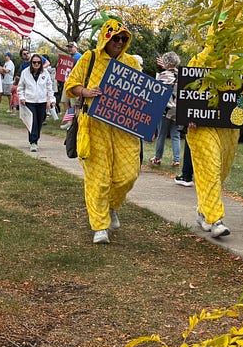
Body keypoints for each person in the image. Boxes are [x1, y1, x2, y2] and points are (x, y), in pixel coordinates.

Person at [65, 16, 141, 244]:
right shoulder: (89, 58)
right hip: (94, 125)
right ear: (105, 37)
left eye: (122, 38)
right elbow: (70, 86)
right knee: (98, 179)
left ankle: (111, 206)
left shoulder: (131, 63)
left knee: (128, 175)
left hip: (123, 127)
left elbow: (142, 96)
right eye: (114, 37)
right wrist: (86, 92)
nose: (118, 42)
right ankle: (99, 226)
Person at [186, 18, 238, 238]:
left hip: (228, 128)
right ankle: (216, 219)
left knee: (219, 171)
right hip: (201, 127)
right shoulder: (198, 60)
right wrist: (188, 114)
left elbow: (242, 99)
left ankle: (203, 211)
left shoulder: (236, 63)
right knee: (210, 166)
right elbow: (186, 91)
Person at [17, 53, 55, 151]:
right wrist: (22, 97)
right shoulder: (25, 72)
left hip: (42, 101)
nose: (36, 64)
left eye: (38, 62)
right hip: (30, 101)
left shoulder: (45, 73)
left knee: (40, 121)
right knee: (32, 121)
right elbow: (20, 87)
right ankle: (33, 142)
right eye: (34, 62)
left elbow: (49, 88)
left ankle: (36, 138)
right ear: (31, 63)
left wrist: (52, 100)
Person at [150, 51, 181, 167]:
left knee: (161, 134)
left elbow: (157, 92)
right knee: (176, 135)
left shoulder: (163, 75)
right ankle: (176, 159)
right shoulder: (182, 75)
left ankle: (157, 158)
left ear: (166, 62)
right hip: (178, 110)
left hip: (166, 109)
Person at [60, 41, 82, 130]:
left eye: (71, 47)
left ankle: (74, 124)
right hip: (67, 82)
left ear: (76, 48)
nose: (69, 48)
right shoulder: (70, 58)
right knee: (65, 101)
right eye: (68, 47)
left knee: (74, 104)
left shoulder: (79, 57)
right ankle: (70, 121)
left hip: (74, 84)